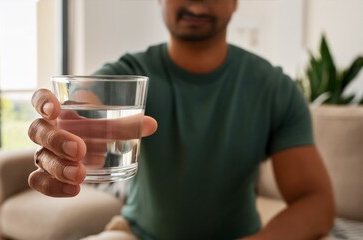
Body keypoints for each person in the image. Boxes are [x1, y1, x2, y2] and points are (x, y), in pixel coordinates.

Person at [27, 0, 335, 239]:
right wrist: (61, 129)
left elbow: (316, 201)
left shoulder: (274, 88)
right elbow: (84, 100)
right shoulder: (130, 73)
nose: (198, 2)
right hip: (135, 234)